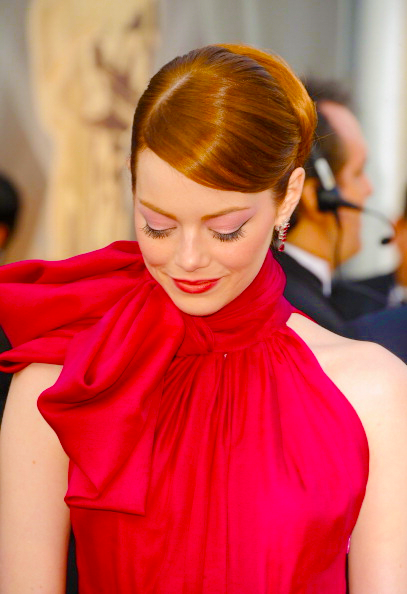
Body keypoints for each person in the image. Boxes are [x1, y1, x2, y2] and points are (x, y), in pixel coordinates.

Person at [0, 44, 406, 594]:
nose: (188, 259)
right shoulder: (61, 381)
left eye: (225, 229)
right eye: (158, 224)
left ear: (288, 198)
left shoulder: (372, 392)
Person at [275, 79, 377, 332]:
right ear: (316, 196)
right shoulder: (304, 316)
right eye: (357, 173)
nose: (369, 189)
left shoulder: (283, 287)